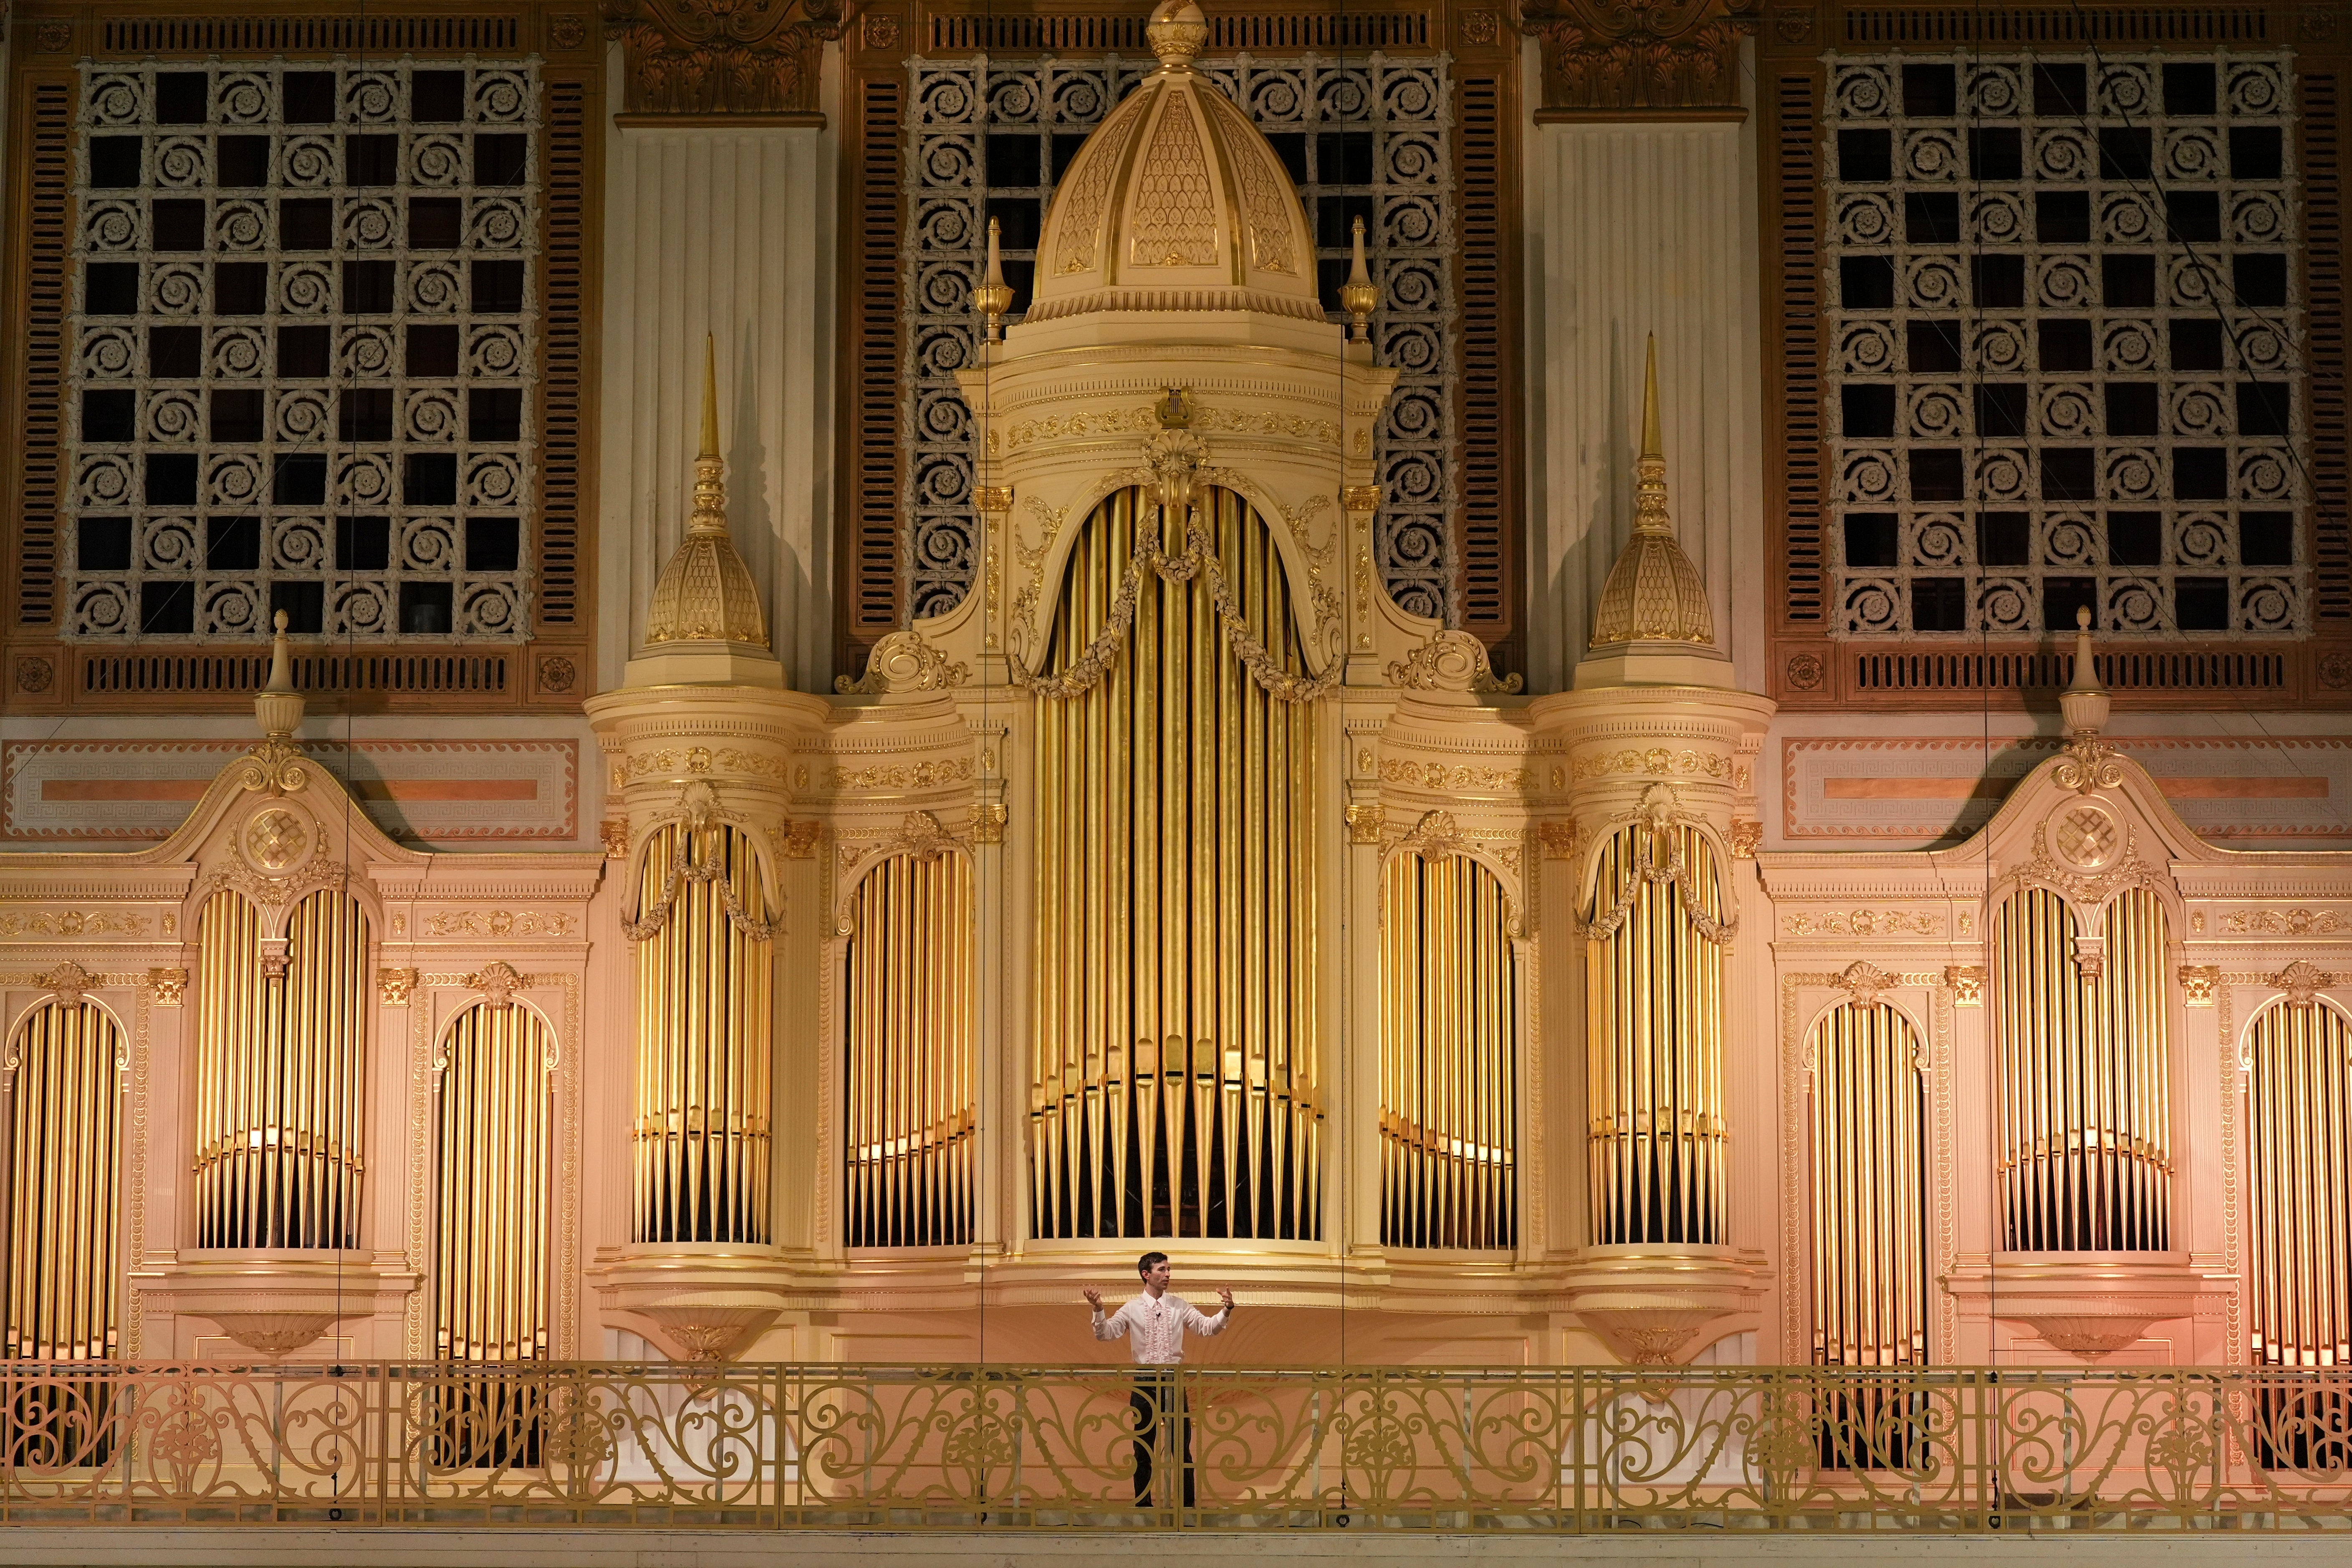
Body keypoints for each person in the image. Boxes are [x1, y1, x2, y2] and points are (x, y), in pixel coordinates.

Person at [1084, 1252, 1234, 1507]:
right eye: (1162, 1270)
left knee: (1182, 1448)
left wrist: (1226, 1310)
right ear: (1146, 1274)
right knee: (1143, 1449)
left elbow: (1207, 1327)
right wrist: (1099, 1309)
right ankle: (1144, 1506)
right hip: (1144, 1382)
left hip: (1173, 1382)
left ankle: (1186, 1508)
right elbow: (1106, 1334)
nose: (1167, 1275)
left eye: (1168, 1270)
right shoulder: (1132, 1308)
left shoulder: (1179, 1305)